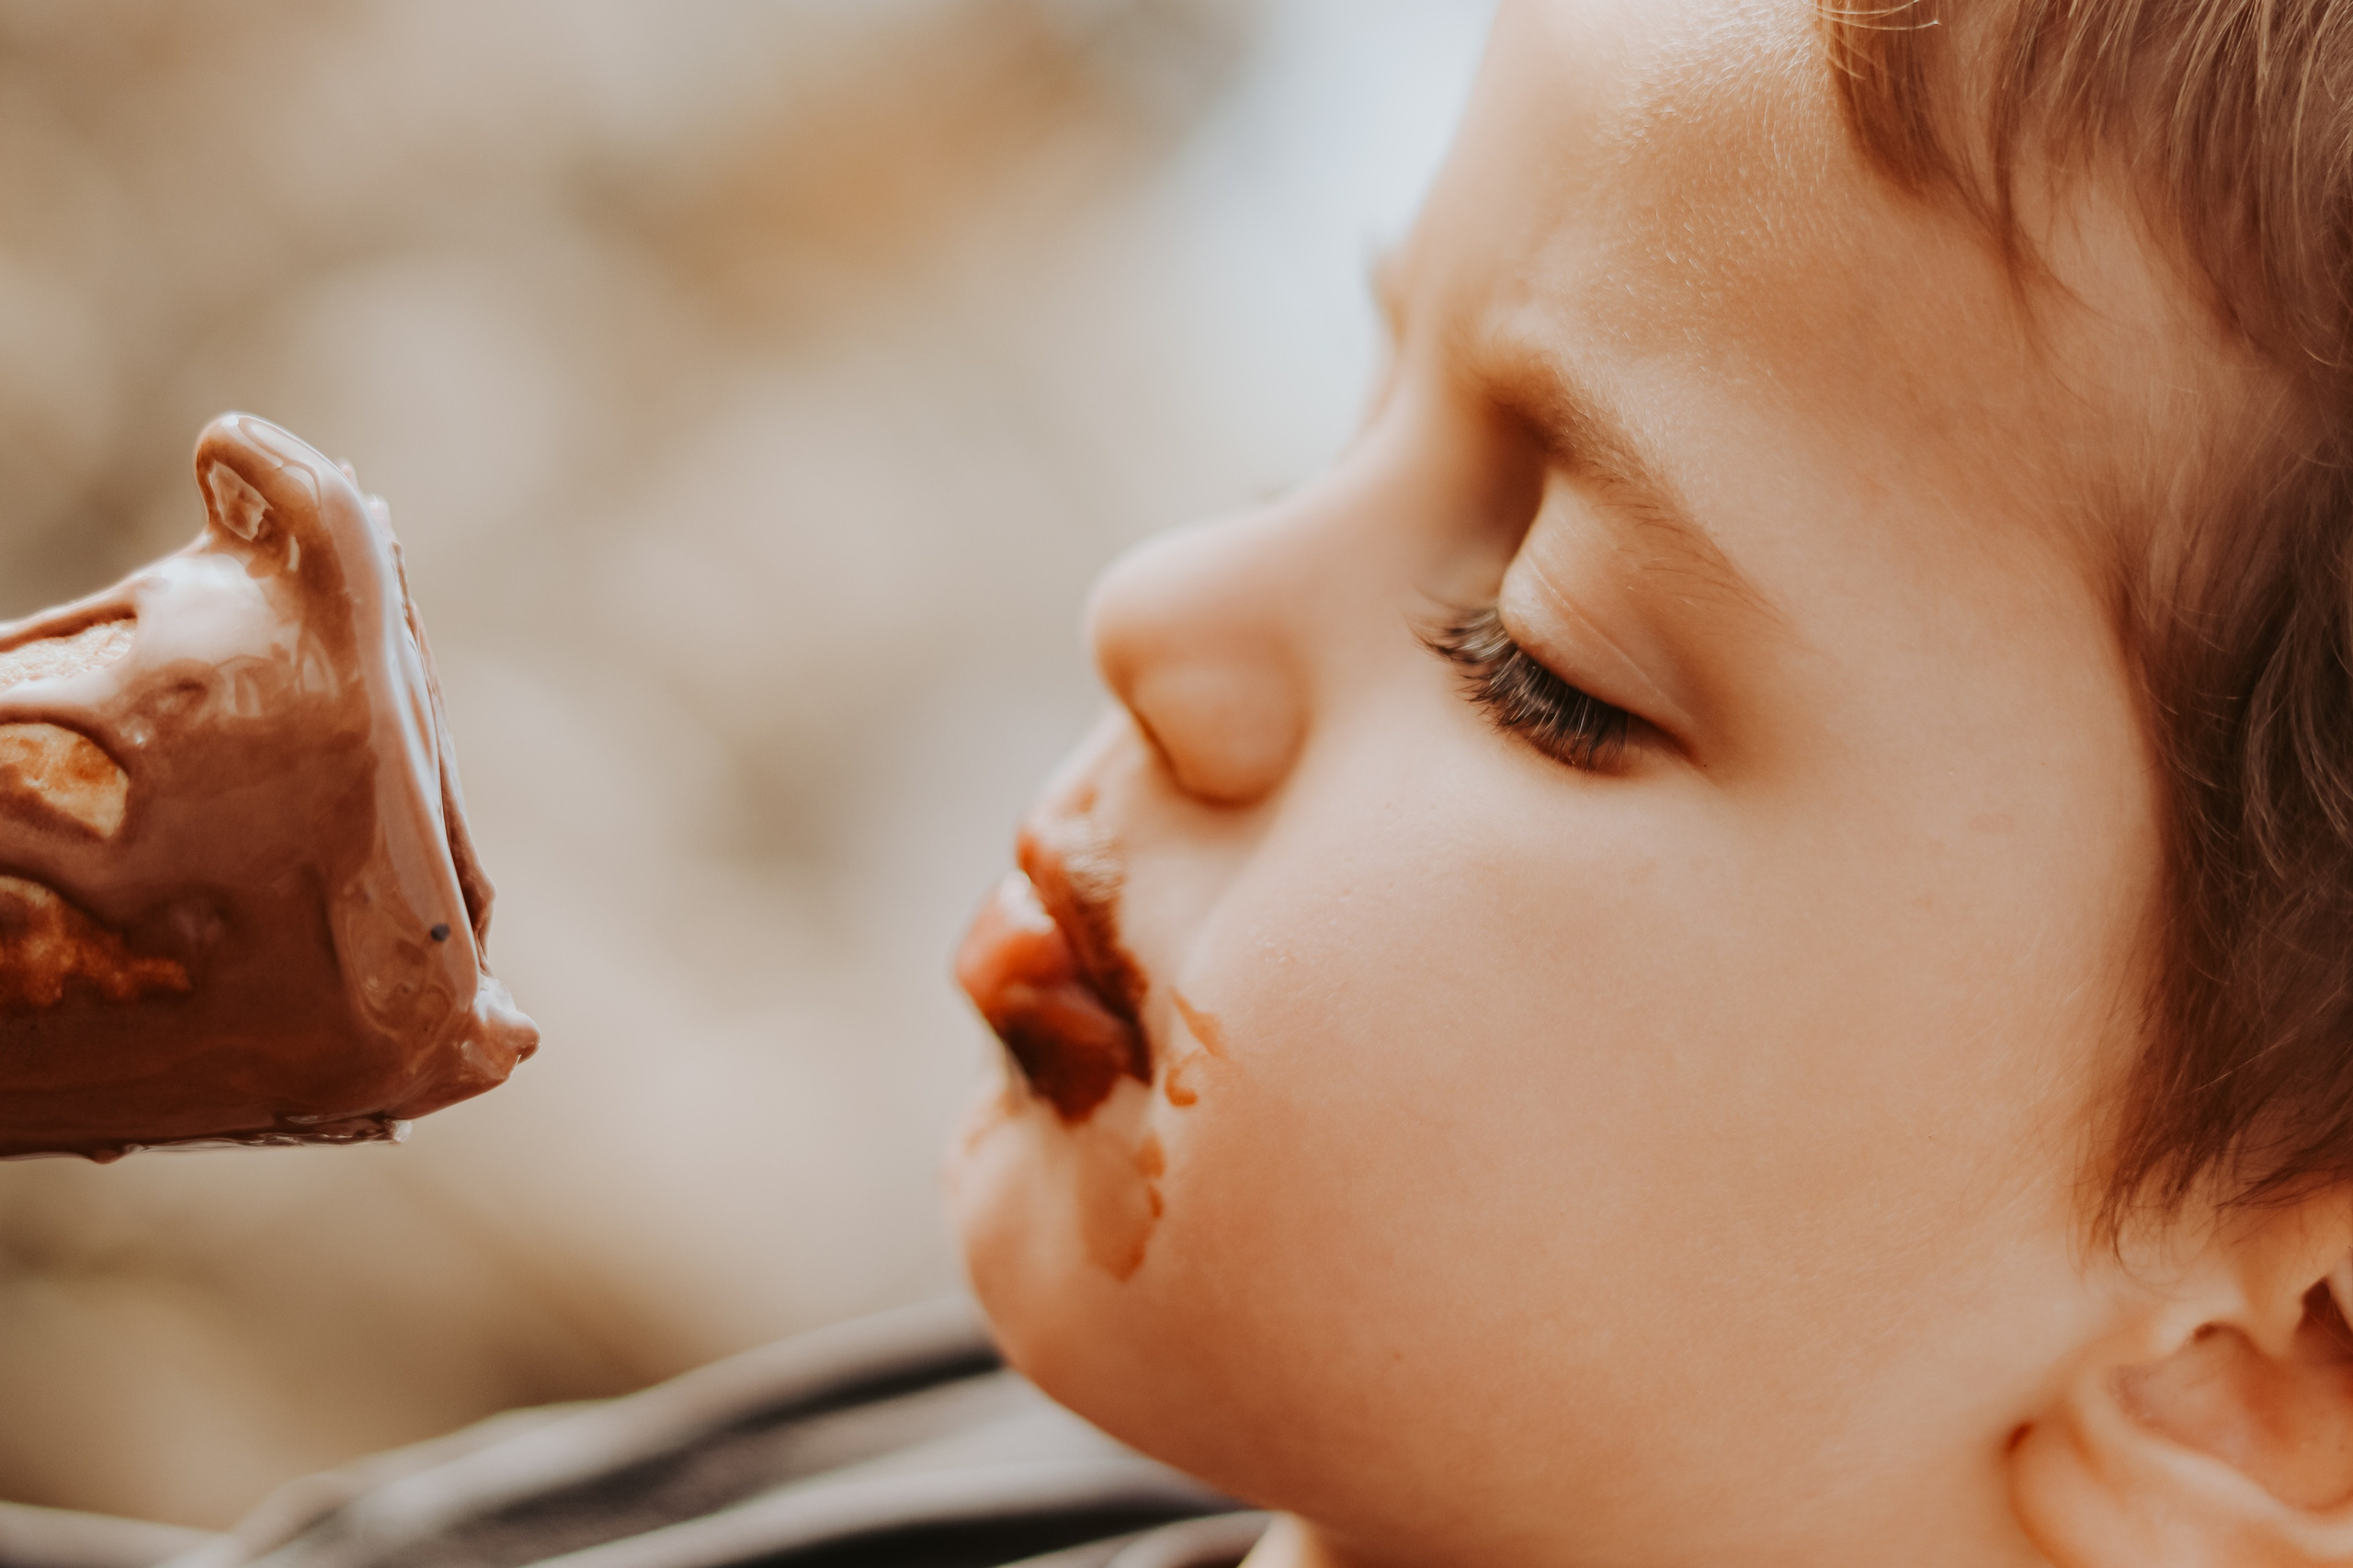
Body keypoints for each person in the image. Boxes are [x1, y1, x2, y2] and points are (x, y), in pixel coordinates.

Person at [17, 0, 2353, 1562]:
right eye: (1346, 421)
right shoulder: (969, 1445)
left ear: (2269, 1379)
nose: (1160, 603)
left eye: (1538, 662)